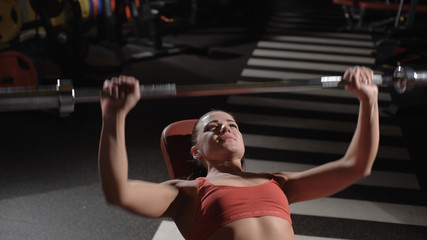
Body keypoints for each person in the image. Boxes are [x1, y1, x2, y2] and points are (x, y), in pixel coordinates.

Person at [98, 66, 379, 240]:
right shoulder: (187, 193)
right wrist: (114, 116)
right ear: (196, 152)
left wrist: (369, 99)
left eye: (232, 125)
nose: (225, 128)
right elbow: (118, 192)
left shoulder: (279, 182)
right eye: (213, 127)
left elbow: (357, 165)